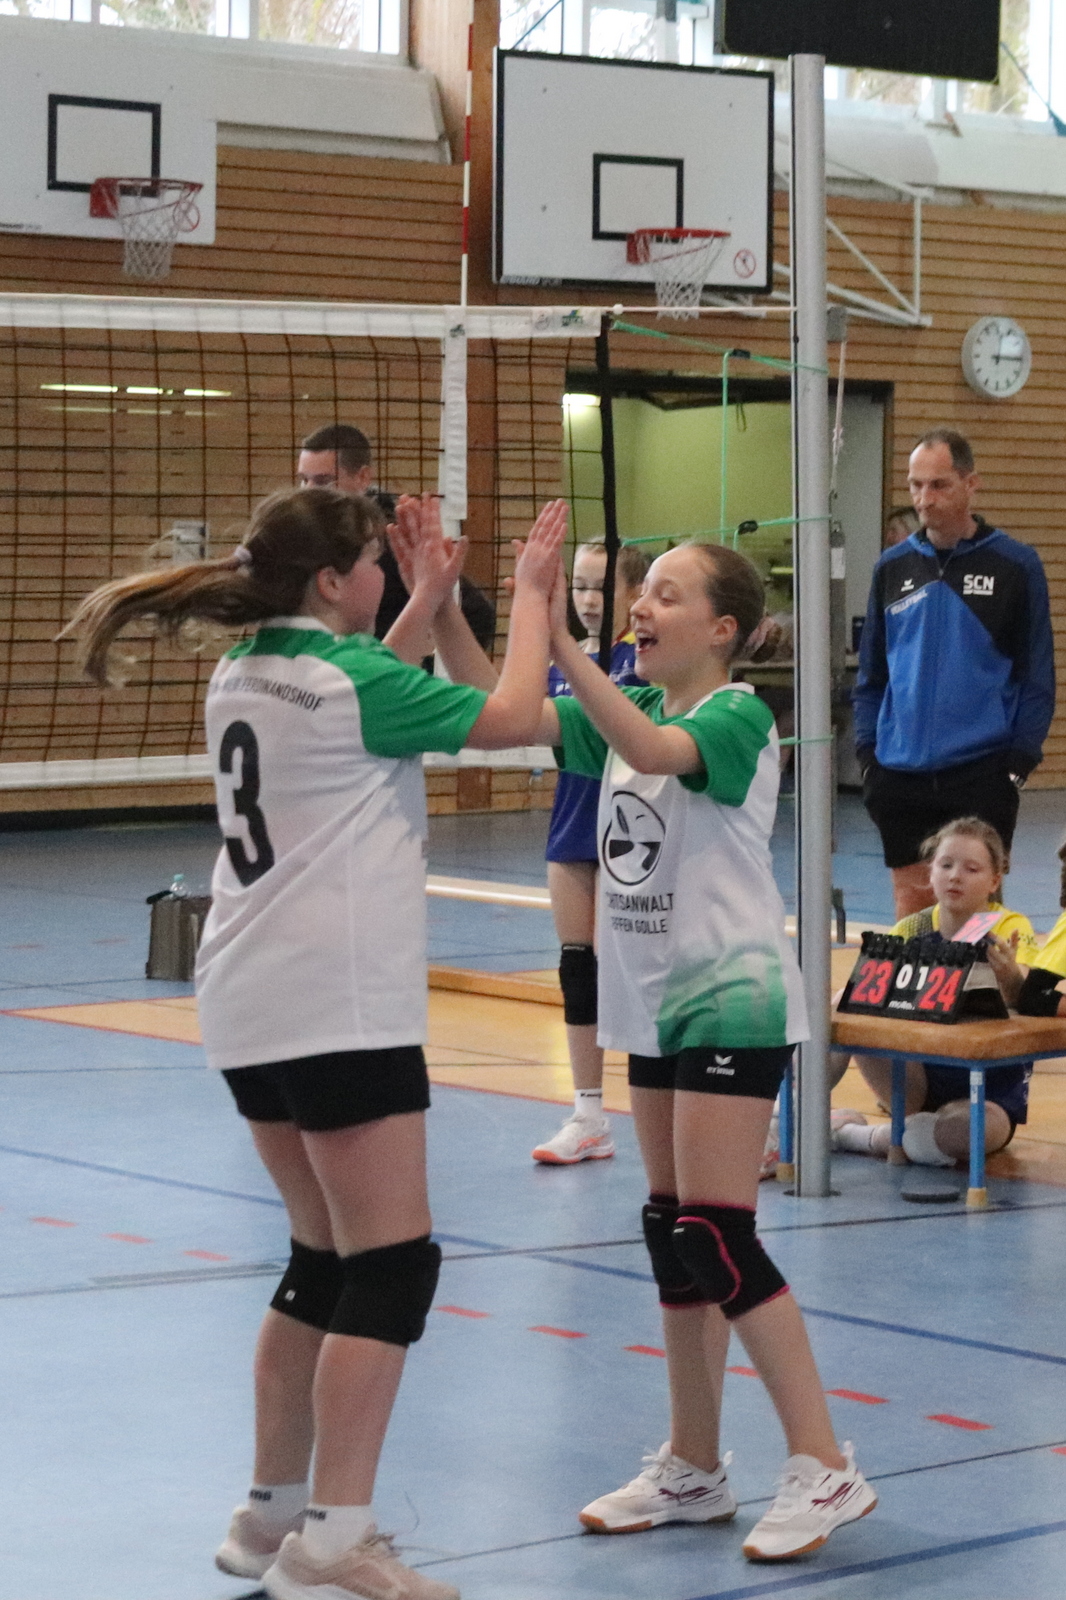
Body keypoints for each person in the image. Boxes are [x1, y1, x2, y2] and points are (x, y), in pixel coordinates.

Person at [60, 487, 568, 1600]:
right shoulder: (355, 685)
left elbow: (361, 693)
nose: (385, 573)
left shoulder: (248, 670)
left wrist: (427, 597)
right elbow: (520, 713)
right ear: (335, 582)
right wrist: (529, 595)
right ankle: (336, 1540)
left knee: (321, 1258)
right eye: (375, 563)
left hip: (247, 996)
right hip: (338, 1001)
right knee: (391, 1264)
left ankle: (268, 1515)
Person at [537, 541, 875, 1561]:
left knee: (716, 1231)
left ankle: (824, 1462)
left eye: (665, 594)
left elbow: (647, 745)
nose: (641, 606)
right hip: (652, 1003)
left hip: (732, 1000)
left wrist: (562, 643)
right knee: (670, 1229)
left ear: (723, 629)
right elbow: (496, 709)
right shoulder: (625, 710)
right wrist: (490, 604)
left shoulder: (736, 716)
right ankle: (693, 1466)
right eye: (640, 593)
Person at [853, 428, 1055, 920]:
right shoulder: (891, 567)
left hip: (981, 771)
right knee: (913, 908)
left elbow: (1037, 674)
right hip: (899, 773)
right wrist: (868, 757)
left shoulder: (1016, 565)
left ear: (971, 484)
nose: (925, 499)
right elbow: (872, 674)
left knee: (978, 914)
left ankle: (981, 978)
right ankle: (917, 979)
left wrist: (1017, 763)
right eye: (916, 485)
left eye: (939, 485)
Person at [531, 539, 650, 1166]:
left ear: (634, 593)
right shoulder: (562, 659)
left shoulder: (645, 659)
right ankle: (588, 1116)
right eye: (578, 585)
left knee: (637, 969)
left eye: (601, 586)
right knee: (578, 968)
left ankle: (701, 1103)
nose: (588, 598)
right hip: (573, 821)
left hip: (632, 829)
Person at [832, 817, 1039, 1167]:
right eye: (945, 865)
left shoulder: (1007, 928)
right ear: (930, 873)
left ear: (994, 880)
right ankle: (800, 1105)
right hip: (915, 1083)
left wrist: (1012, 982)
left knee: (963, 1131)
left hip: (986, 1095)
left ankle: (860, 1136)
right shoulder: (912, 931)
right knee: (845, 1001)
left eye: (971, 868)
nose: (955, 876)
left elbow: (1031, 1002)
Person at [297, 423, 496, 651]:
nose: (309, 492)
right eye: (304, 480)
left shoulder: (392, 536)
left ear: (362, 477)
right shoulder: (304, 535)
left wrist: (410, 664)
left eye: (324, 482)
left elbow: (477, 614)